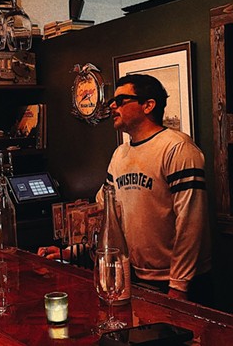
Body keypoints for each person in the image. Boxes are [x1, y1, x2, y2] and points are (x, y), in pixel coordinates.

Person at [39, 74, 212, 304]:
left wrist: (179, 286)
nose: (112, 106)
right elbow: (106, 213)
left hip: (175, 282)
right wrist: (73, 251)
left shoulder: (177, 148)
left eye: (121, 100)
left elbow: (191, 221)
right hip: (132, 275)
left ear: (148, 105)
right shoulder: (121, 154)